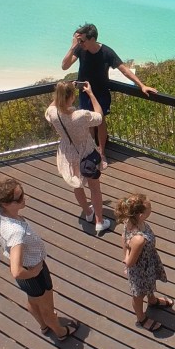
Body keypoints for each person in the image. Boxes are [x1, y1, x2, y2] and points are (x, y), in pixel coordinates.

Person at [0, 178, 78, 342]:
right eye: (19, 198)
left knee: (33, 300)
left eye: (22, 194)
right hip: (33, 271)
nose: (24, 198)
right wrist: (34, 272)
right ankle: (60, 332)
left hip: (27, 275)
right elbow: (16, 271)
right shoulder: (16, 232)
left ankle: (43, 326)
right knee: (48, 308)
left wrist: (4, 240)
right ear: (6, 204)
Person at [61, 23, 157, 171]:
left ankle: (102, 153)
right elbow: (64, 66)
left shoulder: (107, 52)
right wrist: (72, 47)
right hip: (85, 92)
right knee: (88, 123)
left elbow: (124, 70)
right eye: (79, 41)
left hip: (101, 93)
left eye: (82, 40)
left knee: (100, 122)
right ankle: (91, 151)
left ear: (92, 39)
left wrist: (141, 85)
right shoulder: (80, 49)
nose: (80, 43)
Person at [45, 80, 111, 235]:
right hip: (86, 152)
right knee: (95, 188)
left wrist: (60, 93)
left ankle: (88, 212)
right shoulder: (80, 115)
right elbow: (99, 117)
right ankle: (99, 221)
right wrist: (90, 93)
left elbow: (49, 108)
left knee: (77, 185)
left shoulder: (54, 114)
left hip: (68, 152)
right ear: (72, 97)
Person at [116, 193, 173, 332]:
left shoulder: (131, 221)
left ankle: (152, 300)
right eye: (149, 208)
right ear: (141, 215)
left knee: (150, 284)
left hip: (148, 262)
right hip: (140, 270)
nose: (151, 209)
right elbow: (130, 262)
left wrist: (127, 253)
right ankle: (141, 318)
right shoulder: (139, 239)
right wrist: (126, 258)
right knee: (138, 295)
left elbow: (123, 236)